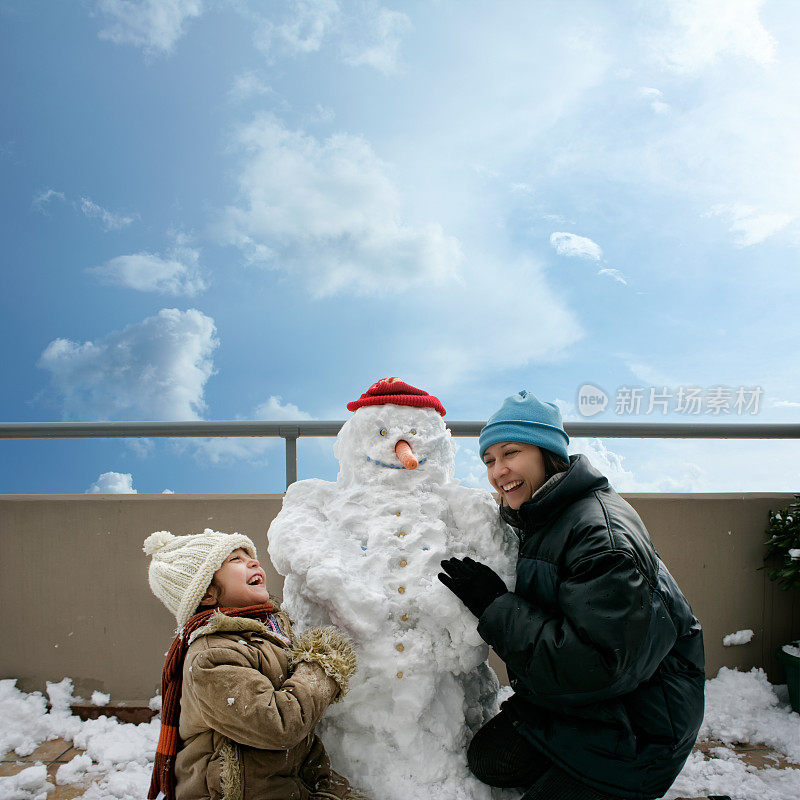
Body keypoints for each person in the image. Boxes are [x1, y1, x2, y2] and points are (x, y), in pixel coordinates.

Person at [438, 391, 705, 800]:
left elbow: (599, 665)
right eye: (489, 460)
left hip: (641, 727)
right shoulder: (547, 513)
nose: (498, 471)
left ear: (548, 453)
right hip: (589, 707)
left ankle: (622, 785)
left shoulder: (600, 538)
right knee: (489, 760)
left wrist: (496, 606)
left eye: (511, 452)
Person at [143, 528, 368, 800]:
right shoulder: (211, 656)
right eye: (234, 560)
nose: (253, 562)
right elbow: (278, 725)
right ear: (206, 594)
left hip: (288, 783)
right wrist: (321, 666)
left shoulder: (268, 631)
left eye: (250, 556)